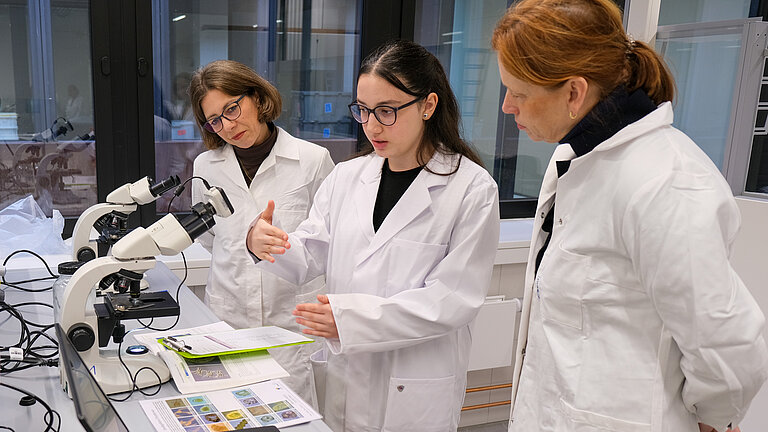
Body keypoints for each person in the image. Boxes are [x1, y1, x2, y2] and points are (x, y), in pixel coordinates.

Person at [491, 1, 768, 431]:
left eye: (519, 93)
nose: (507, 106)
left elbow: (728, 346)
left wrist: (714, 421)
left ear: (574, 92)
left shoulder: (666, 184)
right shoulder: (575, 158)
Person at [245, 40, 500, 431]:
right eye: (363, 110)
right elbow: (311, 250)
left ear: (428, 105)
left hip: (414, 383)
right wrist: (265, 243)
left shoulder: (471, 188)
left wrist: (351, 321)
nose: (372, 126)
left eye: (387, 111)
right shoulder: (348, 176)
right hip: (348, 373)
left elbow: (452, 299)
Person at [188, 60, 335, 407]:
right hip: (229, 316)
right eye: (214, 119)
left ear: (256, 97)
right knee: (231, 413)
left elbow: (331, 243)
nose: (227, 125)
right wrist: (245, 243)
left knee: (294, 416)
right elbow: (211, 240)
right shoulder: (206, 167)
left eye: (232, 108)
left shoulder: (313, 161)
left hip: (293, 323)